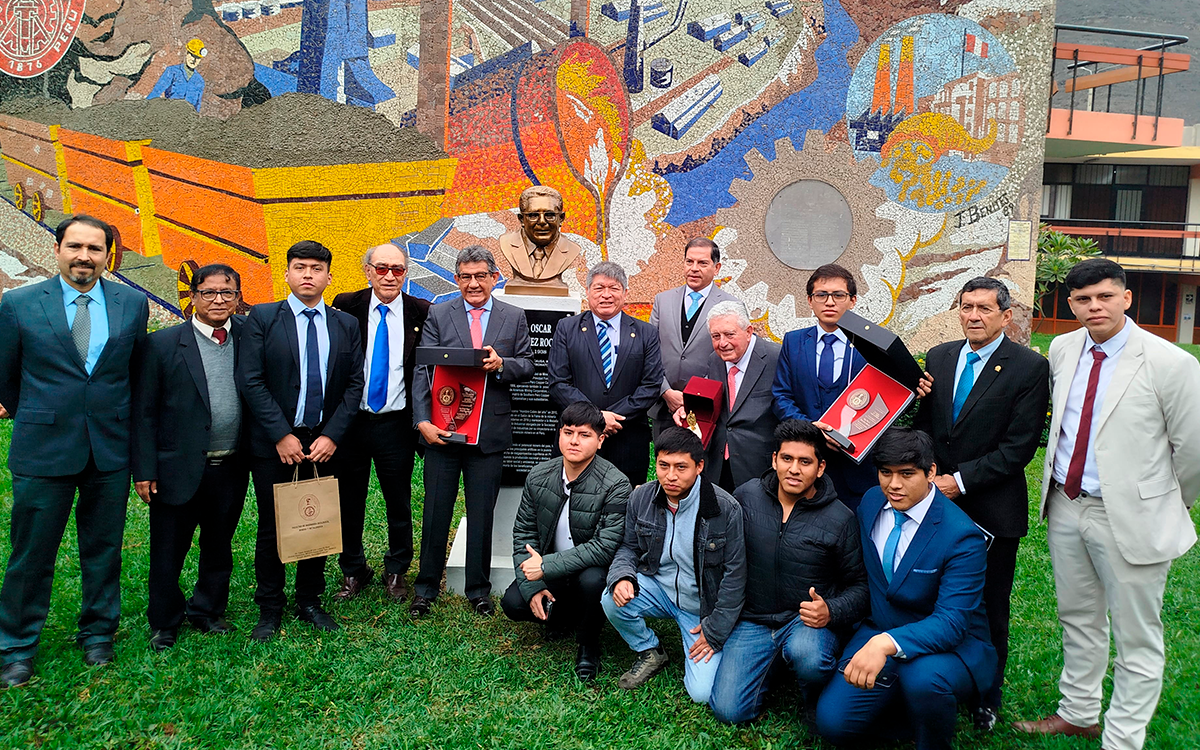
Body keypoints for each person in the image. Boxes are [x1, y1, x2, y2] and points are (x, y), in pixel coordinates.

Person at [1014, 259, 1200, 750]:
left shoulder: (1172, 363)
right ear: (1070, 304)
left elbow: (1193, 452)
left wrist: (1158, 502)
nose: (1094, 307)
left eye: (1104, 296)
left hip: (1132, 516)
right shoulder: (1062, 347)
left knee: (1136, 637)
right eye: (1083, 299)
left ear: (1126, 297)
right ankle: (1078, 712)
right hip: (1067, 503)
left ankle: (1122, 739)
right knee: (1078, 617)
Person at [0, 215, 149, 687]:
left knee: (103, 549)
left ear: (109, 255)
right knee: (31, 553)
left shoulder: (132, 303)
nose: (84, 256)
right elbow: (6, 376)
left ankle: (98, 634)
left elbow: (135, 375)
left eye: (95, 249)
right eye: (75, 246)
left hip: (109, 449)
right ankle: (17, 647)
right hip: (43, 449)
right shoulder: (19, 303)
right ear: (58, 248)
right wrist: (39, 413)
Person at [912, 276, 1049, 729]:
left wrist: (961, 481)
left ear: (1005, 316)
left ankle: (987, 696)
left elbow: (1019, 447)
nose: (973, 315)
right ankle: (936, 683)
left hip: (991, 508)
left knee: (989, 607)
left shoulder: (1029, 367)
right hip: (936, 506)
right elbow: (929, 429)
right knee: (935, 600)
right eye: (966, 306)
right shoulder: (940, 356)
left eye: (984, 309)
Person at [815, 427, 996, 750]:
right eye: (885, 473)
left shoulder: (962, 537)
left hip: (953, 647)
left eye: (907, 474)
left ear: (931, 472)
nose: (893, 485)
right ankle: (904, 715)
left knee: (923, 680)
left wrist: (885, 643)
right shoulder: (871, 502)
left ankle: (932, 738)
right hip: (882, 627)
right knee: (832, 723)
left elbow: (953, 623)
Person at [237, 240, 365, 642]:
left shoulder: (345, 324)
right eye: (299, 267)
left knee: (318, 521)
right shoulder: (261, 318)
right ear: (287, 274)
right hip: (276, 443)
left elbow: (354, 385)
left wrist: (332, 435)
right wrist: (281, 434)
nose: (307, 274)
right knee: (274, 525)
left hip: (324, 444)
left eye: (316, 268)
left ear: (329, 276)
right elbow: (251, 381)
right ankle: (269, 607)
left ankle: (310, 600)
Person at [709, 420, 868, 724]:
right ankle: (776, 667)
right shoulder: (746, 497)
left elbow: (860, 588)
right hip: (753, 620)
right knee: (728, 711)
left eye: (805, 462)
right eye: (787, 459)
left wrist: (830, 611)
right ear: (774, 460)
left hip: (804, 623)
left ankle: (814, 696)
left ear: (820, 468)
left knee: (808, 657)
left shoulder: (840, 518)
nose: (794, 469)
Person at [131, 264, 250, 652]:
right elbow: (144, 412)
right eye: (210, 292)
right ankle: (164, 622)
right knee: (169, 549)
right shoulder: (163, 345)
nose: (218, 300)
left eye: (227, 293)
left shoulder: (249, 338)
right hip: (176, 467)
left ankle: (207, 611)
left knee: (219, 544)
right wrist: (144, 469)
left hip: (230, 465)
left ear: (237, 298)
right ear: (193, 297)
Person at [411, 246, 534, 617]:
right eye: (465, 276)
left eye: (481, 275)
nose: (473, 283)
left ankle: (478, 590)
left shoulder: (513, 317)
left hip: (489, 433)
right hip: (442, 431)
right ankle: (425, 589)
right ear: (456, 279)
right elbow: (422, 369)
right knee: (435, 511)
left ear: (494, 277)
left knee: (482, 513)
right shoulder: (439, 313)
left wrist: (503, 364)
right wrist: (422, 421)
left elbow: (527, 365)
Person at [601, 427, 746, 704]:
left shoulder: (725, 508)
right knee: (610, 597)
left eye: (681, 467)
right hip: (659, 587)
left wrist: (714, 630)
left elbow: (735, 575)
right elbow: (629, 547)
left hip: (701, 608)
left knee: (702, 694)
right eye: (663, 465)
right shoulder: (641, 497)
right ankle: (650, 649)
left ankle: (703, 642)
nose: (670, 476)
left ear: (699, 466)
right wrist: (622, 577)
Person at [501, 402, 632, 681]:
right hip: (553, 569)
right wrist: (533, 586)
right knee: (513, 602)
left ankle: (588, 643)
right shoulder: (539, 476)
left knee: (592, 582)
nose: (574, 441)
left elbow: (605, 546)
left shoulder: (616, 484)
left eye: (584, 435)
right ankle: (561, 616)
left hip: (591, 568)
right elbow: (523, 535)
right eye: (568, 432)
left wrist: (545, 566)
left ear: (600, 441)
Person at [330, 242, 430, 603]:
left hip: (396, 425)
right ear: (368, 271)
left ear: (406, 273)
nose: (390, 276)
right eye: (382, 268)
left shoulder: (421, 311)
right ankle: (353, 570)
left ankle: (397, 569)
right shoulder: (345, 305)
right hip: (351, 422)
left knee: (398, 501)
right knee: (348, 499)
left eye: (398, 269)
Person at [548, 261, 664, 487]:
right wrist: (597, 418)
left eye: (614, 288)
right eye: (599, 288)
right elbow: (558, 384)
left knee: (623, 510)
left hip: (627, 439)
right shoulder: (567, 328)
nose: (606, 295)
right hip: (578, 438)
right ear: (588, 291)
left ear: (625, 293)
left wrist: (613, 417)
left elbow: (650, 386)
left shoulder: (646, 333)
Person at [772, 264, 875, 511]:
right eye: (821, 295)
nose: (830, 302)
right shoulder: (793, 341)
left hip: (857, 468)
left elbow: (888, 398)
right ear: (810, 301)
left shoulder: (871, 343)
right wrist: (811, 430)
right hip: (806, 466)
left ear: (852, 301)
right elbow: (780, 396)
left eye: (838, 295)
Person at [673, 299, 780, 491]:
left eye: (730, 334)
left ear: (748, 332)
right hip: (717, 466)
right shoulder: (715, 360)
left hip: (760, 468)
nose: (722, 343)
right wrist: (686, 410)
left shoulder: (776, 358)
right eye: (715, 336)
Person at [649, 237, 737, 441]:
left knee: (699, 466)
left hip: (707, 407)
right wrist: (666, 392)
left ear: (717, 268)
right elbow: (650, 350)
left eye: (702, 263)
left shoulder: (731, 306)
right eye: (689, 261)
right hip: (664, 404)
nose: (694, 268)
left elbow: (732, 357)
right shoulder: (663, 300)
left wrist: (694, 397)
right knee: (667, 464)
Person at [147, 38, 207, 112]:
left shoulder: (199, 81)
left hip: (187, 119)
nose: (194, 60)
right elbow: (157, 91)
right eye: (192, 55)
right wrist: (146, 108)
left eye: (197, 58)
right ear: (187, 54)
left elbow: (197, 106)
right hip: (170, 114)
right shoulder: (172, 71)